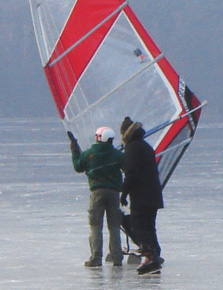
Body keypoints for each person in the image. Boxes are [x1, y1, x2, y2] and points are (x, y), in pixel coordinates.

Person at [70, 126, 125, 267]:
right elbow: (127, 167)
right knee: (114, 227)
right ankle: (117, 257)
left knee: (96, 226)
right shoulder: (117, 154)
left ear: (98, 137)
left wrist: (75, 150)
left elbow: (78, 166)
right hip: (114, 194)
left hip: (97, 193)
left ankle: (96, 257)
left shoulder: (90, 154)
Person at [120, 117, 165, 274]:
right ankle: (154, 255)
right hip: (153, 194)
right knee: (149, 227)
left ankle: (150, 256)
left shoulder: (132, 148)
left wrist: (124, 193)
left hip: (141, 196)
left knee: (139, 226)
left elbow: (131, 173)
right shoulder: (145, 146)